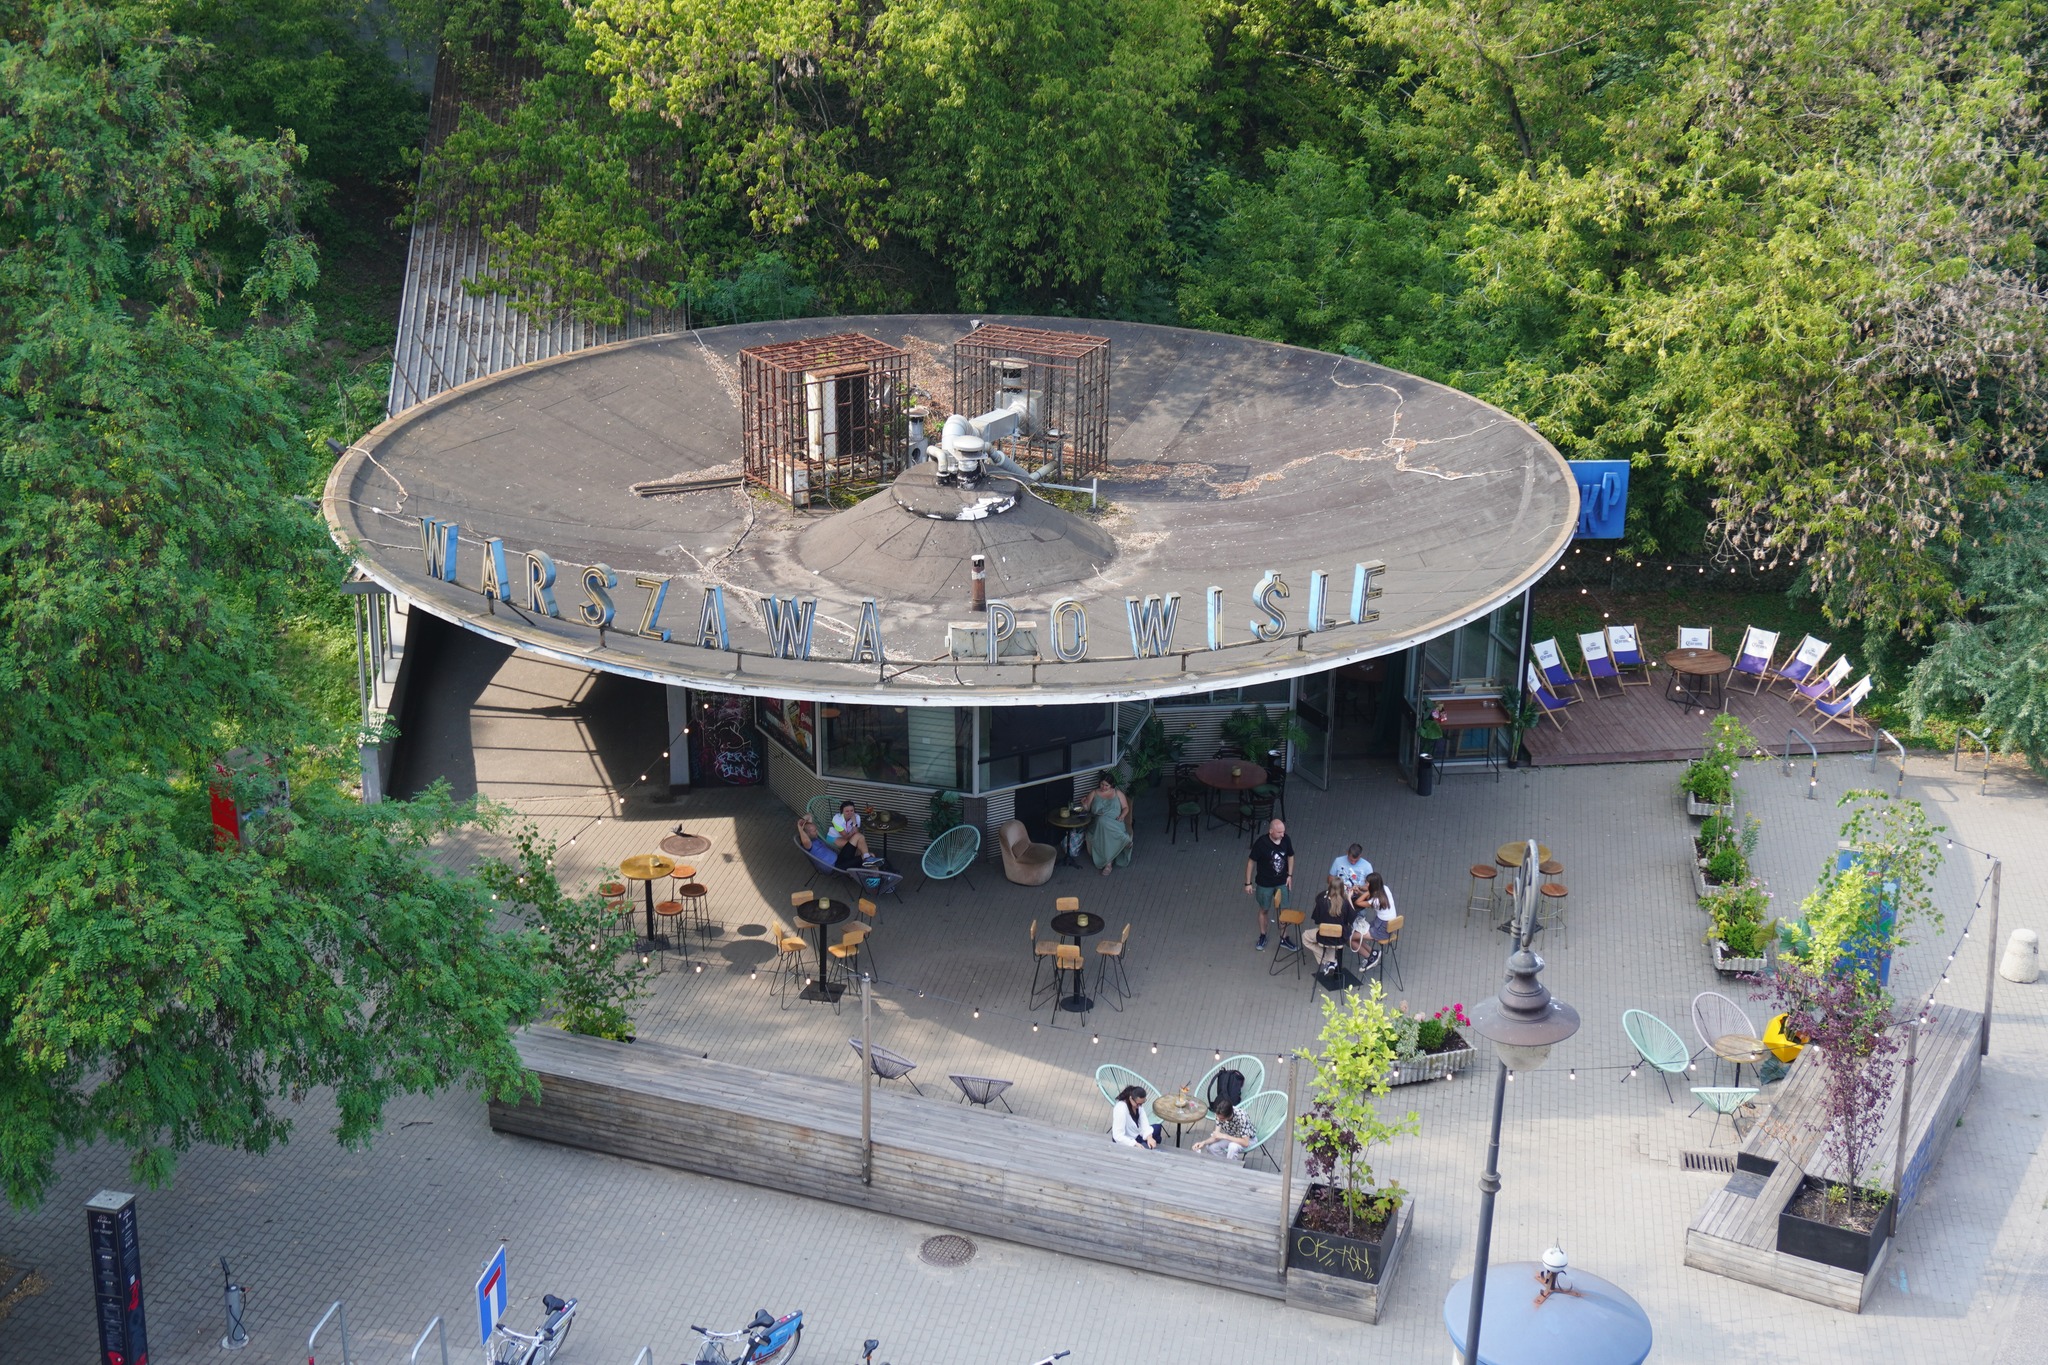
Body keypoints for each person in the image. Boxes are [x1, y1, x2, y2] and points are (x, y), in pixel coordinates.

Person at [1244, 817, 1295, 950]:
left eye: (1283, 831)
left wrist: (1290, 875)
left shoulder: (1286, 839)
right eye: (1279, 832)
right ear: (1271, 831)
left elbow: (1290, 855)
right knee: (1264, 909)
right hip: (1264, 883)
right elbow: (1251, 862)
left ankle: (1284, 937)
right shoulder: (1261, 843)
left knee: (1284, 910)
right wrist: (1248, 883)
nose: (1282, 835)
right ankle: (1262, 935)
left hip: (1281, 881)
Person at [1084, 773, 1133, 876]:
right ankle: (1124, 840)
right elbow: (1087, 809)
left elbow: (1126, 807)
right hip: (1098, 823)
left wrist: (1123, 816)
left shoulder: (1118, 793)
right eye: (1102, 784)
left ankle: (1108, 865)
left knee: (1105, 824)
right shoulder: (1094, 793)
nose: (1104, 787)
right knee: (1102, 821)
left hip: (1115, 822)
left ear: (1111, 785)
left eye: (1107, 785)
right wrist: (1084, 803)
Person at [1349, 872, 1397, 958]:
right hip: (1386, 925)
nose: (1365, 884)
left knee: (1350, 938)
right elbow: (1368, 899)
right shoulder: (1385, 889)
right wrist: (1361, 890)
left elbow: (1358, 902)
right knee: (1357, 933)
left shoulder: (1375, 901)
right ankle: (1373, 953)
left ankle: (1370, 958)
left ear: (1372, 886)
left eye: (1367, 883)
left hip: (1381, 930)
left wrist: (1364, 892)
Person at [1309, 875, 1350, 976]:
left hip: (1324, 937)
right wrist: (1349, 898)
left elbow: (1316, 920)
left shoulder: (1322, 901)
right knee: (1333, 941)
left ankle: (1328, 961)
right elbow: (1351, 919)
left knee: (1305, 937)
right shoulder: (1345, 903)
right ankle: (1331, 961)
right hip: (1340, 938)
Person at [827, 800, 875, 870]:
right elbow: (846, 837)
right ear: (842, 812)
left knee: (859, 838)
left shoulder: (856, 817)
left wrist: (854, 821)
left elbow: (856, 833)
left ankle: (865, 858)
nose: (850, 813)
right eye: (847, 811)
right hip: (835, 837)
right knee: (857, 846)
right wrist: (854, 826)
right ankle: (862, 862)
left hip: (851, 838)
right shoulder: (837, 819)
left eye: (852, 811)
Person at [1110, 1085, 1160, 1149]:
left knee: (1158, 1127)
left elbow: (1144, 1123)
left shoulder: (1138, 1106)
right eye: (1138, 1104)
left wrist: (1149, 1137)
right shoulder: (1121, 1109)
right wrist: (1134, 1144)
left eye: (1142, 1103)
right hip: (1126, 1140)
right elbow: (1117, 1135)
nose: (1140, 1106)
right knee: (1154, 1134)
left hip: (1136, 1134)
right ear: (1131, 1098)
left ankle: (1152, 1144)